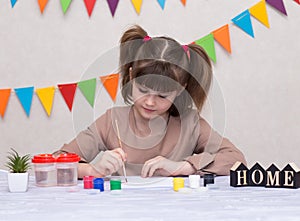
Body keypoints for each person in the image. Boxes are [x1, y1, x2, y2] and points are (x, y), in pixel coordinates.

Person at [54, 25, 246, 179]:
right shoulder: (112, 121)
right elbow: (55, 163)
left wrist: (183, 166)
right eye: (143, 90)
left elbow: (236, 160)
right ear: (131, 76)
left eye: (163, 96)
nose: (150, 102)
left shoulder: (190, 123)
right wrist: (91, 170)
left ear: (180, 89)